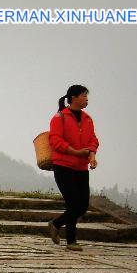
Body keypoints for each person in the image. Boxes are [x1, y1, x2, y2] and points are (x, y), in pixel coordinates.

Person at [47, 84, 99, 251]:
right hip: (63, 167)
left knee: (82, 205)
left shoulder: (88, 119)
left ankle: (56, 223)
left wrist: (92, 156)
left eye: (87, 96)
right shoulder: (59, 117)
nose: (86, 99)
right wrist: (76, 152)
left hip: (81, 168)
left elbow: (93, 140)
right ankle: (71, 241)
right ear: (74, 97)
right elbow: (55, 141)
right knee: (73, 203)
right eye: (84, 96)